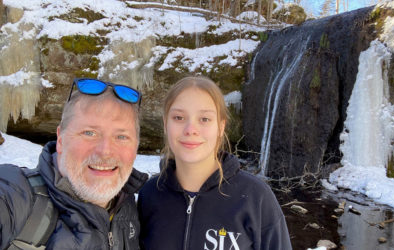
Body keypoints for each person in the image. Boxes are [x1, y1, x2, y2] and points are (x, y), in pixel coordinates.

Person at [138, 76, 292, 250]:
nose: (190, 130)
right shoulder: (149, 195)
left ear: (221, 127)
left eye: (204, 119)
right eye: (179, 118)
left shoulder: (256, 197)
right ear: (166, 124)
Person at [0, 78, 148, 249]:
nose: (105, 151)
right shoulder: (15, 196)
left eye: (121, 136)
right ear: (61, 139)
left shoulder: (133, 210)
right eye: (89, 133)